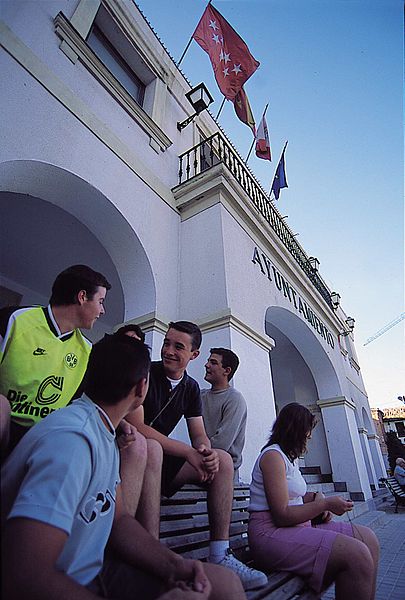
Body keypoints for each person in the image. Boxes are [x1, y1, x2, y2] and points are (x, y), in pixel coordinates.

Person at [1, 335, 245, 600]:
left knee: (226, 584)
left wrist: (174, 565)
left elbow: (118, 518)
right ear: (142, 388)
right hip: (72, 579)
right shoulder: (71, 442)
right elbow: (24, 578)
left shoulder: (106, 431)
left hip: (94, 570)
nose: (169, 351)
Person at [126, 321, 267, 591]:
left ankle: (220, 553)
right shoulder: (146, 372)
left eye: (178, 346)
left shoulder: (191, 388)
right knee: (153, 448)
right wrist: (189, 452)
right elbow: (139, 428)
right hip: (135, 453)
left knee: (223, 460)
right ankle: (151, 554)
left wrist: (204, 451)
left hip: (163, 462)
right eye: (167, 343)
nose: (168, 350)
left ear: (194, 354)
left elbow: (198, 433)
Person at [248, 402, 380, 600]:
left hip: (295, 528)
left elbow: (295, 497)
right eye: (307, 431)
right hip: (269, 534)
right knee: (356, 554)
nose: (309, 436)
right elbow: (282, 515)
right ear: (296, 430)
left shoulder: (288, 458)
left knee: (368, 539)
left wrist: (318, 497)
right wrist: (325, 505)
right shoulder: (272, 457)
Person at [0, 264, 111, 457]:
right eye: (101, 301)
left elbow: (83, 406)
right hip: (6, 427)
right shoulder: (14, 319)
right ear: (82, 297)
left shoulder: (87, 350)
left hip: (46, 440)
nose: (103, 311)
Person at [201, 348, 247, 480]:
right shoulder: (200, 396)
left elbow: (221, 443)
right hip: (202, 463)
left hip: (224, 470)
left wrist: (192, 454)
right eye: (208, 361)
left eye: (213, 362)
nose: (207, 365)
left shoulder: (235, 399)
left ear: (227, 371)